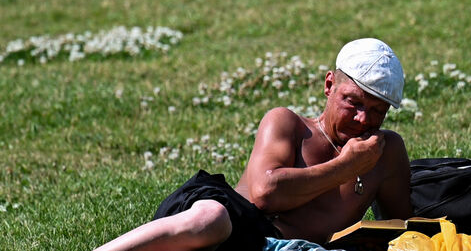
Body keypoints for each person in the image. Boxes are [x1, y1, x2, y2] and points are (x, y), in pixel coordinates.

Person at [95, 38, 413, 251]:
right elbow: (265, 195)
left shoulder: (386, 152)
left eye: (377, 111)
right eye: (352, 103)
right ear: (329, 85)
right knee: (210, 220)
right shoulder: (288, 124)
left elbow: (400, 228)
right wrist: (346, 167)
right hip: (235, 225)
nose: (362, 119)